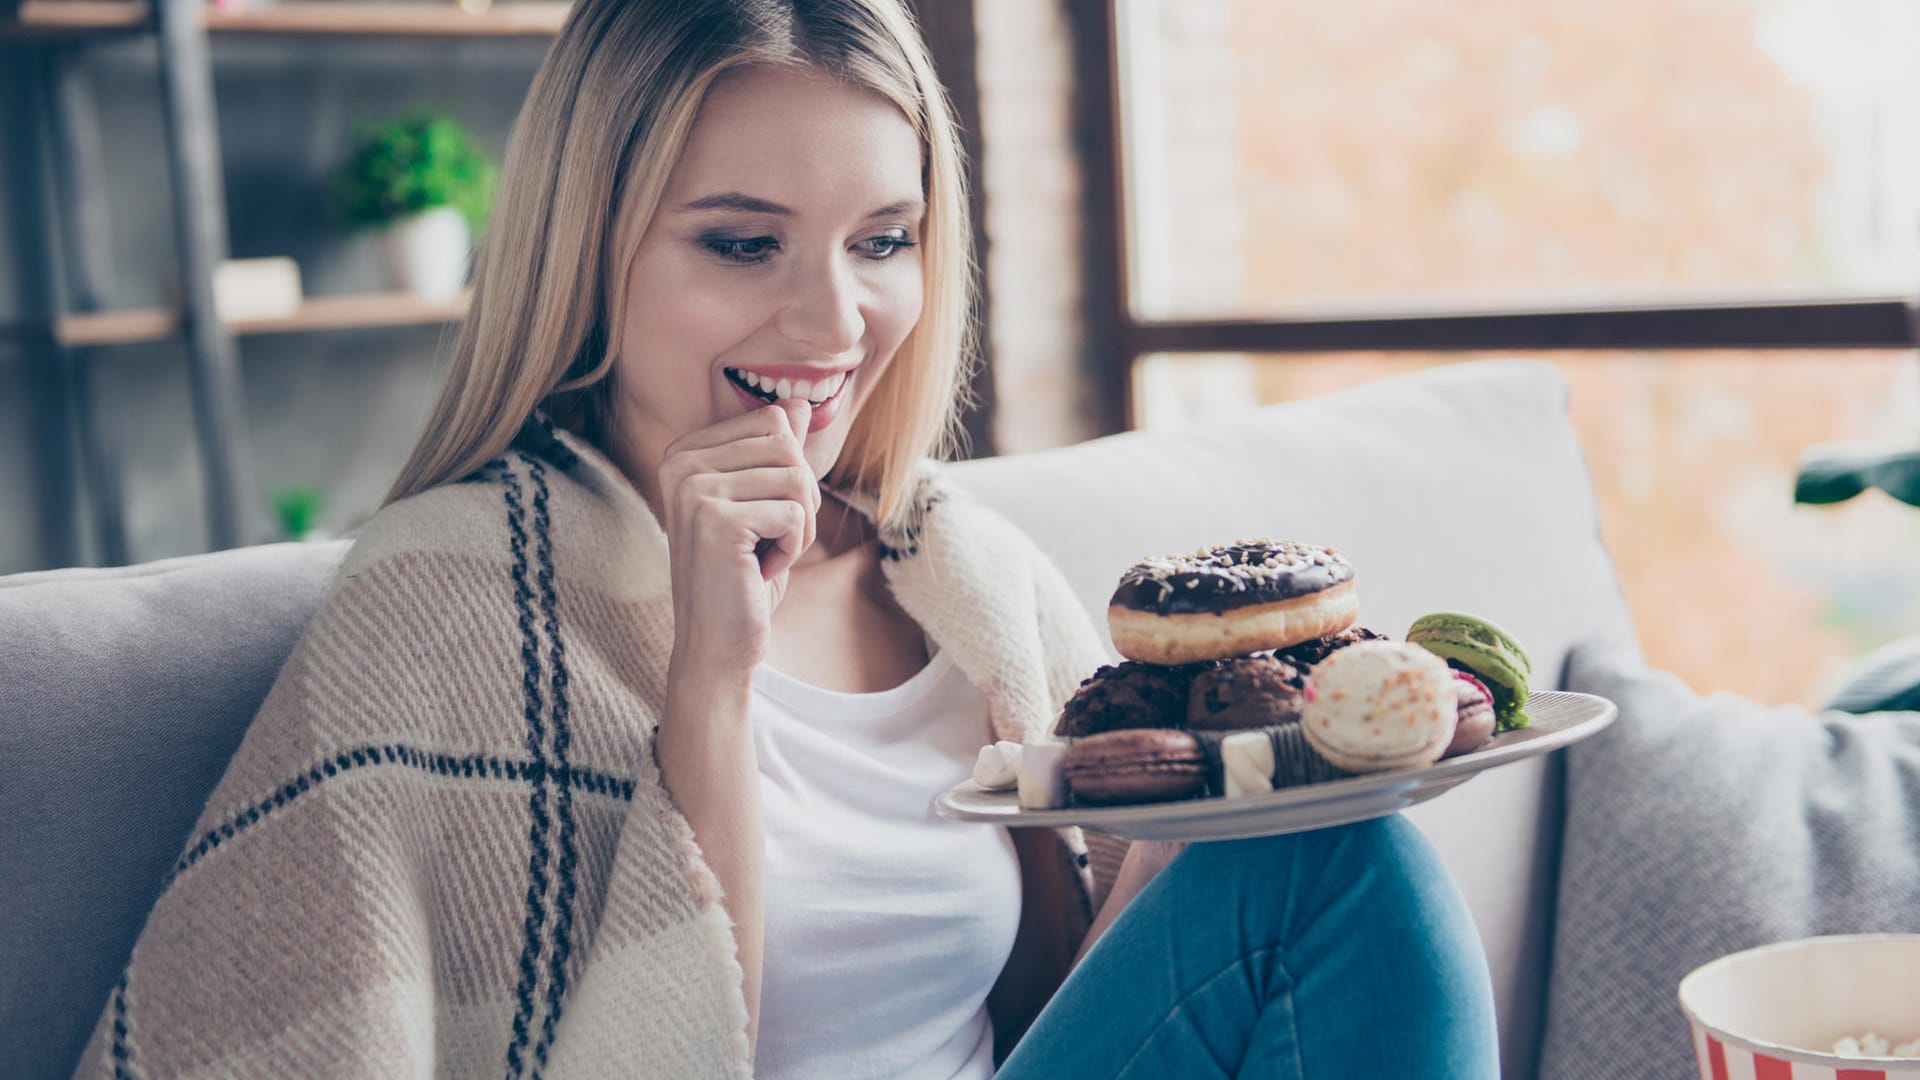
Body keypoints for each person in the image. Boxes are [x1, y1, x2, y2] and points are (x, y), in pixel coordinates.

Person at [74, 1, 1497, 1077]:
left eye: (882, 241)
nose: (833, 327)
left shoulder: (961, 572)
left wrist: (1214, 799)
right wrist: (710, 682)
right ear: (592, 251)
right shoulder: (448, 601)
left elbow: (1058, 1020)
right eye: (743, 244)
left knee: (1338, 850)